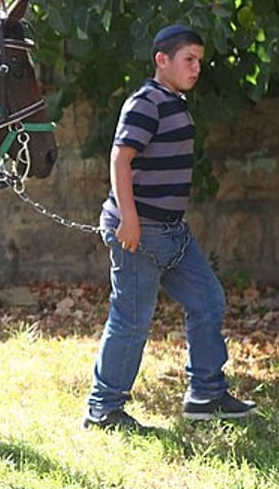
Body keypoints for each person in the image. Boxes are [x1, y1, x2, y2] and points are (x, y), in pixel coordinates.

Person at [84, 24, 257, 433]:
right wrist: (128, 218)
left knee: (208, 300)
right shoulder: (146, 102)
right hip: (140, 233)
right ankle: (103, 410)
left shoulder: (175, 101)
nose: (197, 68)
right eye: (189, 60)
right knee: (131, 321)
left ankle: (206, 395)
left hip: (173, 233)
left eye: (200, 60)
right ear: (162, 60)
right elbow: (119, 160)